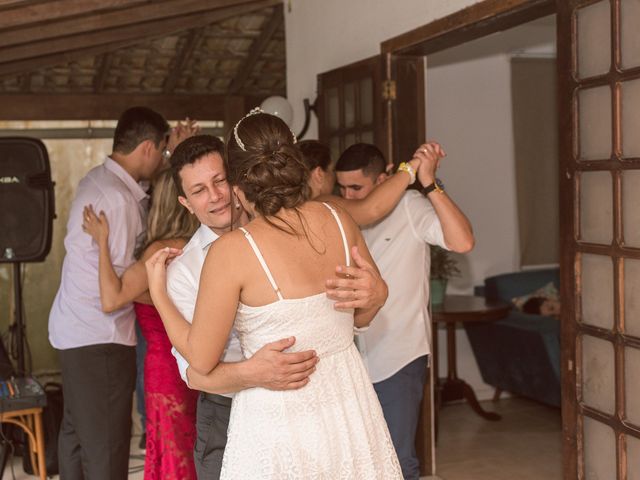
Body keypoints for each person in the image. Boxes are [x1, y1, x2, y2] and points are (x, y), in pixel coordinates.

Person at [146, 111, 404, 478]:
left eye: (219, 181)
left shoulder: (231, 253)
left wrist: (157, 295)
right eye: (200, 190)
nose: (216, 197)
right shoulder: (338, 219)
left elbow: (200, 360)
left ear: (236, 181)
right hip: (346, 403)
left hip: (281, 419)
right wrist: (252, 372)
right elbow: (353, 318)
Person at [335, 142, 475, 480]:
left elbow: (462, 242)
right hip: (347, 360)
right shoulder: (336, 215)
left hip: (398, 355)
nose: (349, 197)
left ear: (383, 179)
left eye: (356, 188)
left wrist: (429, 183)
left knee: (398, 460)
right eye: (341, 188)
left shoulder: (410, 206)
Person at [48, 106, 173, 479]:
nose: (163, 160)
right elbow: (117, 290)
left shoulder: (98, 180)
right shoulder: (118, 200)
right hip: (99, 337)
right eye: (164, 152)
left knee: (77, 435)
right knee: (105, 444)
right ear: (148, 148)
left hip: (76, 330)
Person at [81, 168, 200, 480]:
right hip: (196, 360)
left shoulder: (160, 250)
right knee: (192, 448)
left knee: (173, 452)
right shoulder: (199, 244)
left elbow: (111, 298)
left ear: (160, 204)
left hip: (165, 370)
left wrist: (103, 243)